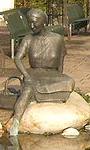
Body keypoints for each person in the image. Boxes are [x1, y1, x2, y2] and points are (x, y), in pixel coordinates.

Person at [9, 8, 75, 136]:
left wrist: (60, 76)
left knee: (69, 82)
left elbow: (61, 60)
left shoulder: (57, 39)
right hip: (34, 73)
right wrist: (26, 76)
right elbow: (17, 58)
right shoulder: (28, 39)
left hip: (53, 75)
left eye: (34, 22)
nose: (31, 26)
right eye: (29, 22)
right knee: (28, 89)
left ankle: (43, 96)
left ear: (44, 22)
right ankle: (16, 120)